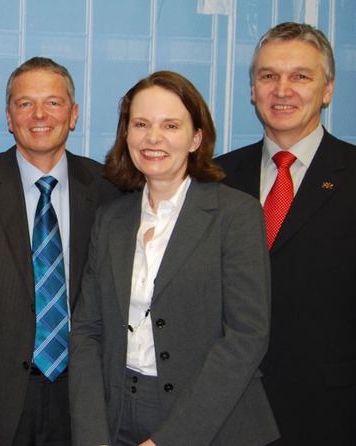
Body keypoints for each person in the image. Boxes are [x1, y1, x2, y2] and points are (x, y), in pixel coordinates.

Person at [69, 71, 280, 446]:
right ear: (127, 135)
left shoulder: (235, 214)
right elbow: (87, 332)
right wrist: (92, 435)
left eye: (170, 125)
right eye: (141, 124)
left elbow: (246, 338)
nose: (153, 137)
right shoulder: (111, 219)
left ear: (196, 137)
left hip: (210, 422)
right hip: (117, 415)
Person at [0, 57, 121, 446]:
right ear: (9, 116)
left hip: (85, 395)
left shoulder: (109, 190)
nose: (39, 114)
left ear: (73, 114)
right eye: (24, 104)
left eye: (52, 103)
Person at [215, 22, 356, 444]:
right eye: (268, 76)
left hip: (332, 414)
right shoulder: (214, 179)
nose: (282, 89)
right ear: (252, 91)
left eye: (300, 76)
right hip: (228, 413)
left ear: (327, 90)